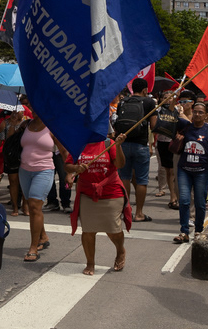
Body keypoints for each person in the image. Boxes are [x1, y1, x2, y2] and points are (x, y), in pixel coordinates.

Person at [65, 133, 130, 275]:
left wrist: (118, 146)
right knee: (88, 230)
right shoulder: (78, 144)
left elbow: (120, 165)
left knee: (113, 229)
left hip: (111, 192)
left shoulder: (109, 143)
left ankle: (120, 251)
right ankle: (90, 263)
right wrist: (76, 168)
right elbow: (67, 165)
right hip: (87, 194)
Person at [172, 102, 208, 244]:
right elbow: (171, 116)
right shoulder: (185, 126)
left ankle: (198, 230)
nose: (197, 114)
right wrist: (173, 103)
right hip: (184, 170)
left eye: (201, 112)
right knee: (184, 200)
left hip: (202, 171)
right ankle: (184, 232)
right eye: (195, 111)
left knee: (200, 203)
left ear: (206, 115)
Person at [19, 110, 66, 262]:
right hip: (24, 171)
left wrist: (70, 172)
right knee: (34, 207)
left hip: (44, 170)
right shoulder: (26, 124)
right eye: (32, 106)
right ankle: (43, 237)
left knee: (34, 206)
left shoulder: (52, 127)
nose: (34, 110)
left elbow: (63, 151)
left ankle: (33, 248)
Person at [113, 77, 157, 223]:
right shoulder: (149, 102)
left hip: (124, 144)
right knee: (141, 180)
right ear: (145, 90)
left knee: (124, 177)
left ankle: (125, 211)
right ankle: (139, 213)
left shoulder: (123, 102)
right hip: (140, 145)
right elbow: (154, 126)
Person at [154, 91, 180, 210]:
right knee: (168, 171)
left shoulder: (177, 110)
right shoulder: (158, 110)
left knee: (174, 171)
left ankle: (175, 196)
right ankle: (172, 196)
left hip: (173, 143)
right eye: (165, 97)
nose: (168, 99)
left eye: (170, 98)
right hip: (162, 142)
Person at [0, 111, 26, 216]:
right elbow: (2, 140)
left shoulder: (27, 122)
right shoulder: (5, 123)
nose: (17, 114)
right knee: (13, 181)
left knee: (25, 182)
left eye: (20, 112)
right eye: (14, 112)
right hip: (11, 156)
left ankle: (25, 206)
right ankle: (15, 207)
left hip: (24, 154)